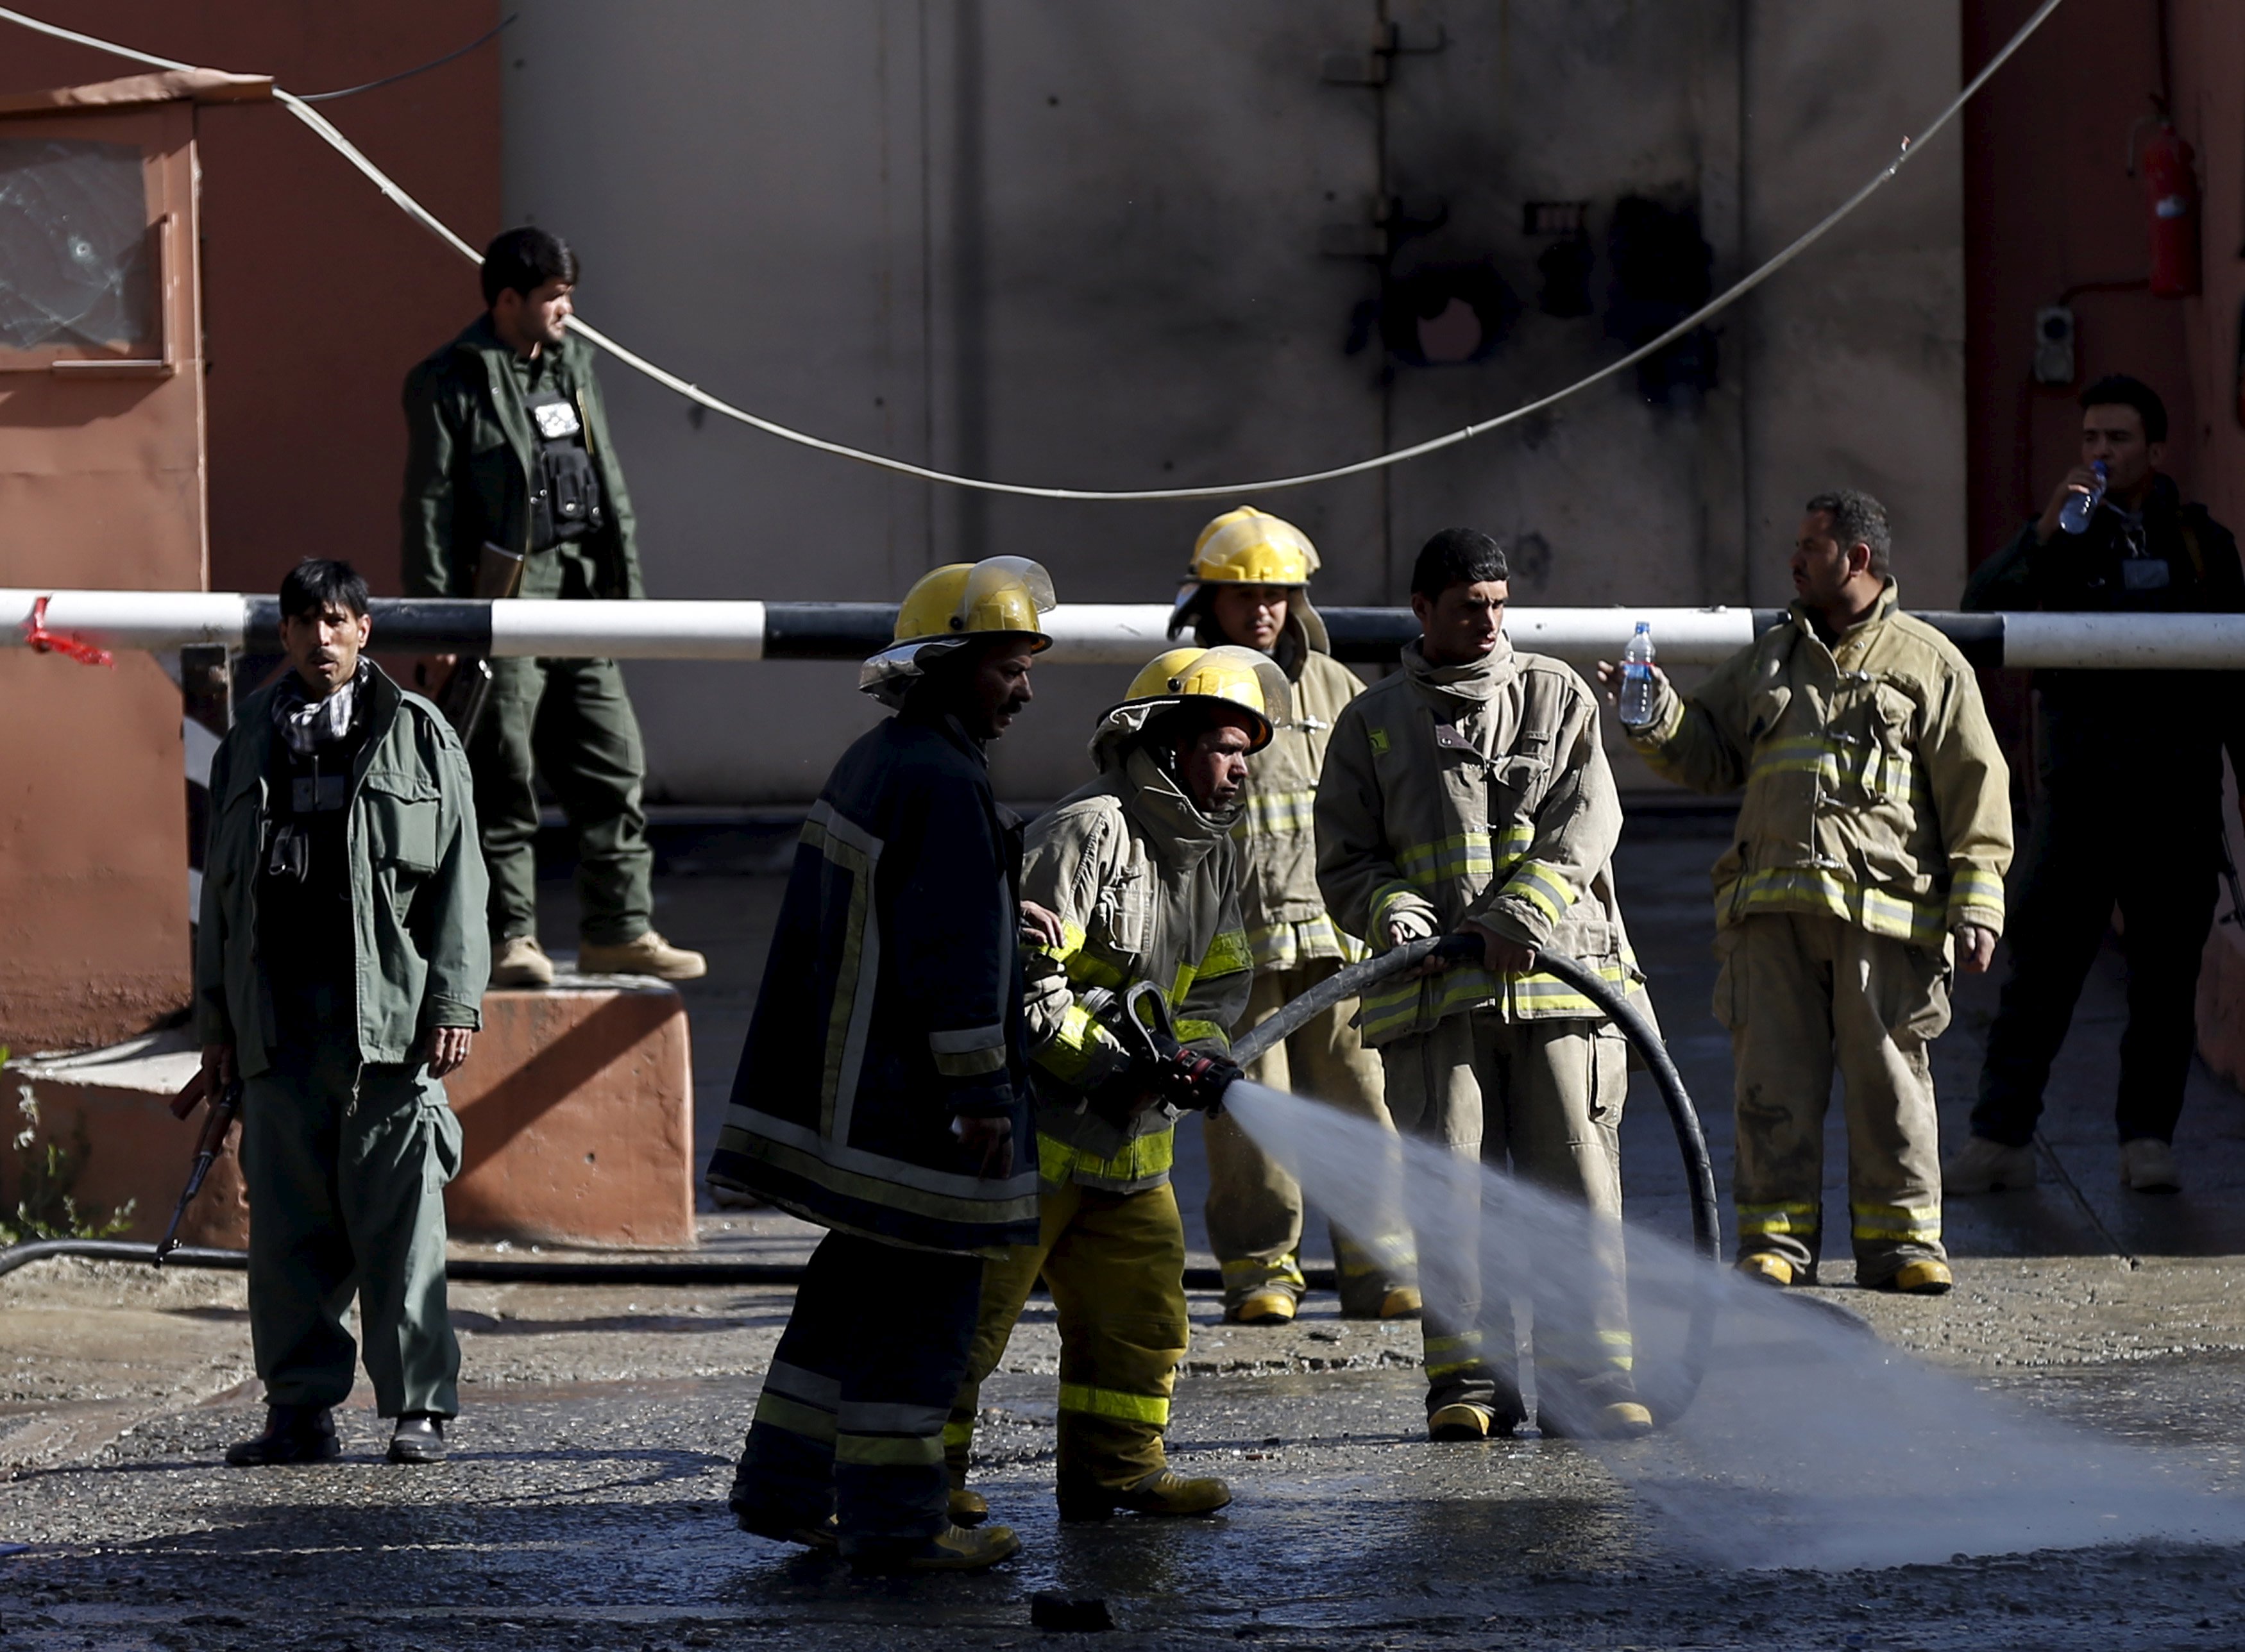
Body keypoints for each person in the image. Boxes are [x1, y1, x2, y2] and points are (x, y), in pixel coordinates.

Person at [708, 559, 1053, 1574]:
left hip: (854, 1108)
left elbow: (910, 916)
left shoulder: (884, 758)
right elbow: (946, 957)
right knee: (924, 1309)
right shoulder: (945, 780)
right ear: (945, 668)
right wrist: (982, 1094)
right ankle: (900, 1523)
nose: (1024, 690)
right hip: (918, 1116)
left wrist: (1001, 909)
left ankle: (784, 1487)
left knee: (851, 1289)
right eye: (1005, 668)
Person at [1611, 489, 2012, 1294]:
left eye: (1808, 547)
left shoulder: (1926, 663)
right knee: (1771, 1086)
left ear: (1855, 558)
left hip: (1885, 924)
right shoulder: (1767, 660)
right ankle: (1774, 1241)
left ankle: (1901, 1244)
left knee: (1889, 1084)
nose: (1792, 560)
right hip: (1771, 920)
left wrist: (1977, 903)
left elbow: (1978, 790)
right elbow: (1708, 755)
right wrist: (1652, 717)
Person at [1319, 528, 1654, 1442]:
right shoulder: (1372, 722)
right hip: (1434, 1002)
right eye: (1471, 606)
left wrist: (1521, 917)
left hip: (1560, 990)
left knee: (1573, 1186)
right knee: (1452, 1193)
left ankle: (1590, 1378)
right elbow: (1345, 861)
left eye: (1500, 604)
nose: (1489, 621)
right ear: (1422, 611)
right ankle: (1468, 1382)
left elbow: (1590, 820)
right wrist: (1393, 913)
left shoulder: (1556, 694)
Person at [945, 646, 1274, 1526]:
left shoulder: (1215, 853)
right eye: (1220, 745)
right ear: (1163, 743)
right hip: (1034, 1144)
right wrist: (1114, 1071)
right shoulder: (1086, 832)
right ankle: (922, 1486)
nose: (1239, 767)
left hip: (1133, 1151)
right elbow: (1022, 983)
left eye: (1249, 750)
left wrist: (1191, 1056)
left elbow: (1218, 987)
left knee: (1144, 1319)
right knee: (972, 1325)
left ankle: (1118, 1471)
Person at [194, 559, 489, 1467]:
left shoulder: (421, 736)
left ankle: (420, 1411)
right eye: (303, 624)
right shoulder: (247, 739)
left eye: (337, 621)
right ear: (282, 637)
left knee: (401, 1228)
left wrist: (455, 1000)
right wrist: (218, 1028)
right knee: (287, 1233)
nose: (321, 639)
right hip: (280, 1025)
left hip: (389, 1023)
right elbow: (222, 905)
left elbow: (461, 886)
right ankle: (299, 1410)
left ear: (364, 631)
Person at [1950, 376, 2245, 1195]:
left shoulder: (2198, 545)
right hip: (2078, 801)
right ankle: (1999, 1135)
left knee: (2163, 980)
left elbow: (2236, 680)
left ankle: (2144, 1138)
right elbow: (1980, 615)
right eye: (2088, 439)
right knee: (2040, 972)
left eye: (2116, 439)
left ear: (2154, 451)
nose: (2099, 454)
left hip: (2174, 801)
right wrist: (2042, 534)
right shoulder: (2061, 538)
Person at [402, 225, 704, 988]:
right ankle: (513, 938)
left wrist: (630, 600)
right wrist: (437, 621)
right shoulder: (451, 380)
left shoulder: (575, 366)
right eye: (553, 299)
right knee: (504, 772)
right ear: (508, 300)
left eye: (569, 297)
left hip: (584, 595)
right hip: (504, 602)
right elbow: (429, 507)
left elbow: (610, 490)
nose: (567, 312)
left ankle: (619, 929)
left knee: (613, 763)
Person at [1167, 505, 1419, 1326]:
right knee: (1248, 1115)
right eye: (1244, 596)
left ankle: (1379, 1269)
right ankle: (1258, 1271)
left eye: (1277, 593)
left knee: (1360, 1103)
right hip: (1231, 949)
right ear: (1209, 601)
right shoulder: (1182, 689)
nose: (1263, 610)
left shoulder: (1337, 689)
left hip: (1334, 934)